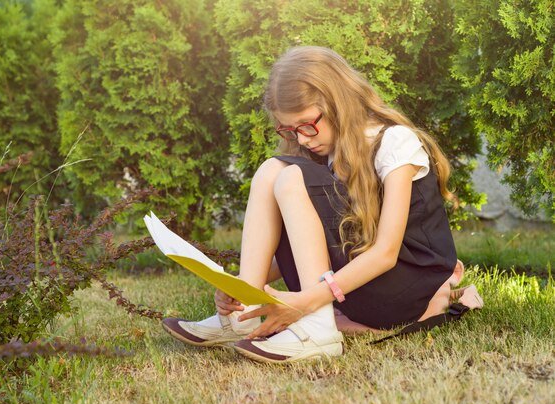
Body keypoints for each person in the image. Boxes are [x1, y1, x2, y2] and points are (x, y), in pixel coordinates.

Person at [161, 46, 483, 363]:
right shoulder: (322, 153)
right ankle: (240, 315)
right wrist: (243, 284)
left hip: (402, 287)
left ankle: (318, 329)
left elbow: (385, 253)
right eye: (290, 129)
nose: (301, 139)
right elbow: (313, 245)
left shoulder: (394, 143)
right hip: (354, 286)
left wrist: (305, 303)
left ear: (337, 102)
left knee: (288, 177)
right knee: (270, 170)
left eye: (306, 125)